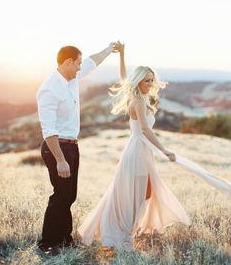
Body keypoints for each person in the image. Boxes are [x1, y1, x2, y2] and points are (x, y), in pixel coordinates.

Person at [78, 42, 231, 251]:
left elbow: (124, 77)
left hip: (141, 151)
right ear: (139, 81)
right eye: (146, 80)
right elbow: (145, 130)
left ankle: (127, 229)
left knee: (142, 193)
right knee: (136, 194)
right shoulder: (138, 102)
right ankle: (122, 235)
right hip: (137, 151)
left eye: (151, 80)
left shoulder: (136, 95)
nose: (150, 84)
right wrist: (164, 149)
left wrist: (123, 55)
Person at [36, 42, 120, 255]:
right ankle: (47, 243)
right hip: (57, 148)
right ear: (67, 62)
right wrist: (60, 159)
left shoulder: (71, 79)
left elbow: (94, 61)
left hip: (72, 146)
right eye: (78, 64)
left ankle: (65, 239)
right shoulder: (49, 89)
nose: (80, 68)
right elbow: (49, 130)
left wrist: (110, 49)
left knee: (69, 195)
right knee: (60, 195)